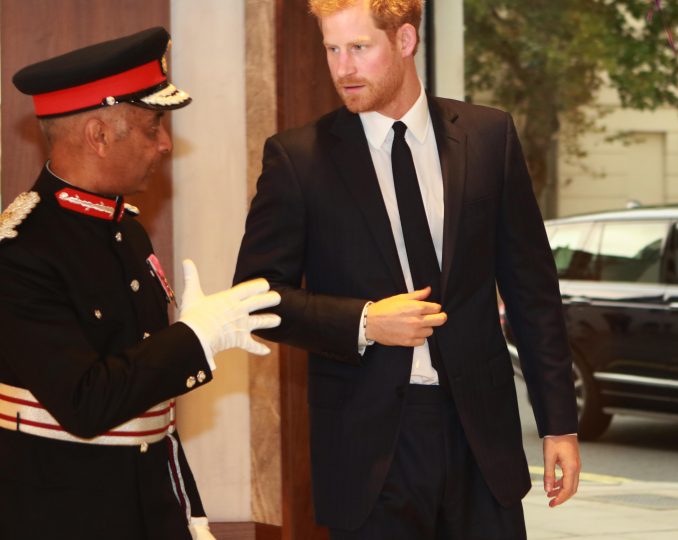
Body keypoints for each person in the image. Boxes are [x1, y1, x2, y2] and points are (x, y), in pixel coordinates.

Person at [233, 1, 580, 538]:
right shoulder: (298, 158)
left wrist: (559, 423)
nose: (342, 67)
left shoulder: (489, 137)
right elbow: (255, 300)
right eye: (332, 49)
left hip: (480, 439)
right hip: (369, 448)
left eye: (359, 48)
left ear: (405, 42)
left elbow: (533, 289)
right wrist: (365, 322)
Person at [0, 27, 280, 540]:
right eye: (153, 124)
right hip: (52, 514)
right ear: (99, 134)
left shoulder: (125, 228)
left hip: (144, 504)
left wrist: (185, 509)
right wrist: (194, 338)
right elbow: (87, 403)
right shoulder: (19, 250)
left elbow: (155, 419)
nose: (165, 143)